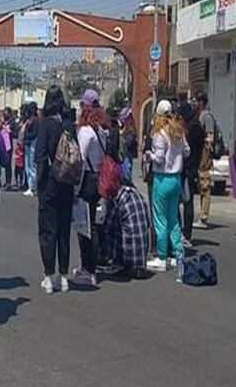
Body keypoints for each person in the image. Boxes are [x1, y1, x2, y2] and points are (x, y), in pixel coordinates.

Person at [35, 85, 75, 294]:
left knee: (47, 230)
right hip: (67, 183)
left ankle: (49, 276)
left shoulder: (45, 124)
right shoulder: (68, 125)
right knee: (63, 230)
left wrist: (39, 185)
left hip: (50, 183)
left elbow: (40, 156)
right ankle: (64, 276)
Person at [146, 100, 189, 273]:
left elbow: (159, 157)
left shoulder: (160, 134)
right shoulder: (178, 132)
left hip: (162, 179)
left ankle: (162, 256)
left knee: (160, 219)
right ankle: (178, 253)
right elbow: (187, 151)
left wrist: (149, 156)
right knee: (173, 219)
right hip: (176, 178)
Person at [75, 88, 109, 286]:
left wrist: (75, 187)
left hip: (87, 179)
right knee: (93, 224)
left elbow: (80, 160)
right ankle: (89, 266)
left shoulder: (86, 132)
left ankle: (89, 268)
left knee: (85, 225)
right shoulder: (101, 131)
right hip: (98, 178)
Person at [100, 175, 151, 280]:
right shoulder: (137, 194)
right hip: (142, 257)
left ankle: (117, 262)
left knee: (110, 229)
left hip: (128, 255)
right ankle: (136, 264)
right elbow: (148, 222)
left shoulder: (117, 198)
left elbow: (107, 226)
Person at [179, 101, 204, 246]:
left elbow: (187, 150)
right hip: (192, 167)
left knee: (186, 201)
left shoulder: (190, 128)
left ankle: (185, 233)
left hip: (187, 168)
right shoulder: (197, 125)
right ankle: (185, 232)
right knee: (187, 200)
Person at [194, 92, 216, 228]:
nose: (195, 103)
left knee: (205, 185)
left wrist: (205, 158)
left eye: (196, 101)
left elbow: (210, 138)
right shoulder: (200, 115)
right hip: (200, 156)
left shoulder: (206, 117)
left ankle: (203, 217)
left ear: (201, 102)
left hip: (205, 156)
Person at [21, 102, 38, 196]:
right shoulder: (29, 120)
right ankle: (30, 186)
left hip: (32, 144)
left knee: (32, 165)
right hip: (27, 144)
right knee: (27, 165)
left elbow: (34, 133)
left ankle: (33, 187)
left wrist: (26, 135)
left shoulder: (35, 120)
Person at [119, 107, 138, 184]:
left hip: (127, 156)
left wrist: (121, 136)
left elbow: (128, 143)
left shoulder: (130, 130)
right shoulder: (123, 128)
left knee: (126, 176)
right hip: (122, 156)